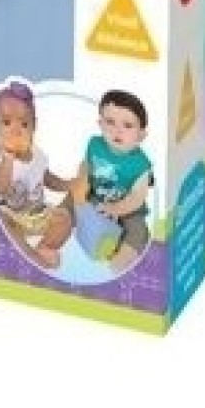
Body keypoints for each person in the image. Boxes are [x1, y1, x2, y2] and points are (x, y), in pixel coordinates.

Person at [64, 89, 153, 274]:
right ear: (100, 124)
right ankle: (59, 220)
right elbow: (86, 165)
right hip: (95, 196)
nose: (117, 131)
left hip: (128, 210)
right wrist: (82, 181)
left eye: (128, 125)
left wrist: (116, 209)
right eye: (110, 122)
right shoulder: (95, 144)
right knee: (72, 197)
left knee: (137, 230)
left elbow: (137, 197)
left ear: (141, 135)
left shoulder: (141, 164)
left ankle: (122, 258)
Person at [0, 80, 72, 269]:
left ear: (34, 127)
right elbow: (0, 187)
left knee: (64, 219)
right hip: (11, 216)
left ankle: (43, 249)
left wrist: (68, 184)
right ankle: (28, 255)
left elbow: (47, 178)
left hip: (36, 214)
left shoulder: (38, 155)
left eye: (24, 124)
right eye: (6, 122)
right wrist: (8, 161)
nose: (15, 130)